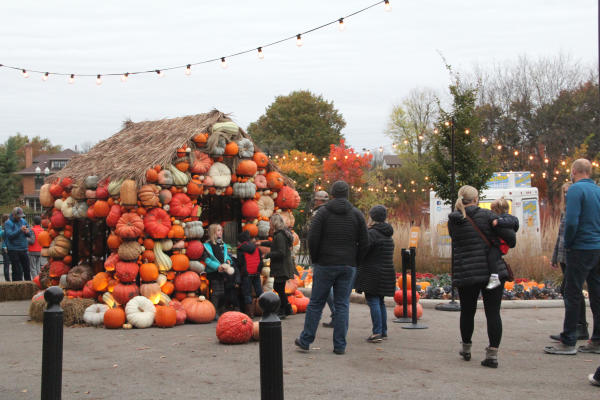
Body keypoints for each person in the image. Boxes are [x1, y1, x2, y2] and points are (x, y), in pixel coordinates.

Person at [295, 180, 369, 355]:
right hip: (347, 265)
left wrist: (317, 259)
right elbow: (365, 242)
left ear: (332, 195)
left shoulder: (323, 214)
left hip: (325, 264)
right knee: (342, 304)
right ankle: (340, 345)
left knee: (316, 303)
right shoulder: (357, 215)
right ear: (347, 194)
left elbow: (312, 238)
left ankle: (306, 340)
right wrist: (355, 260)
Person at [448, 185, 516, 368]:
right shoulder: (489, 216)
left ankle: (466, 349)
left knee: (467, 312)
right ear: (476, 199)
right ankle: (492, 355)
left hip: (467, 271)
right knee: (493, 313)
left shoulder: (454, 220)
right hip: (492, 271)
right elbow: (511, 239)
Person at [545, 159, 600, 355]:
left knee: (572, 293)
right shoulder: (597, 190)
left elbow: (571, 221)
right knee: (596, 293)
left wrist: (568, 243)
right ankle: (597, 340)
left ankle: (568, 340)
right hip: (597, 247)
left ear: (574, 171)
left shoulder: (576, 190)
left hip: (580, 247)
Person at [549, 183, 589, 341]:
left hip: (573, 254)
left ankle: (579, 326)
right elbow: (560, 236)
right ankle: (577, 326)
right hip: (563, 255)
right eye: (564, 192)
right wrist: (554, 257)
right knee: (570, 289)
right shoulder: (565, 211)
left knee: (571, 289)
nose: (566, 195)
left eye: (568, 192)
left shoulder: (575, 210)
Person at [354, 205, 395, 343]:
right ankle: (383, 331)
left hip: (372, 273)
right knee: (380, 301)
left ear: (372, 217)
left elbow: (363, 250)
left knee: (373, 301)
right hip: (386, 272)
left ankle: (377, 332)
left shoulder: (371, 233)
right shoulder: (388, 234)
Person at [309, 190, 336, 328]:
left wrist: (314, 256)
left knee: (323, 287)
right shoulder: (331, 212)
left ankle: (331, 313)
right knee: (324, 287)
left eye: (316, 200)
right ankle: (332, 313)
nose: (314, 202)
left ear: (320, 201)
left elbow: (314, 236)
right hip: (332, 254)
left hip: (321, 256)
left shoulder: (318, 214)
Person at [486, 197, 519, 289]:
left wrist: (499, 221)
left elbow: (514, 222)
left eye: (492, 209)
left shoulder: (507, 218)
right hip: (500, 243)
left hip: (502, 245)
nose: (491, 211)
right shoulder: (503, 218)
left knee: (491, 257)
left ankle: (494, 278)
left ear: (498, 210)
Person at [266, 214, 295, 319]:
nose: (269, 224)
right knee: (279, 287)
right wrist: (261, 243)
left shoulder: (279, 235)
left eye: (270, 222)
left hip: (282, 267)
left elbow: (281, 252)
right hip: (282, 266)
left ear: (274, 223)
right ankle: (286, 308)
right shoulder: (279, 234)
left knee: (279, 288)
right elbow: (274, 245)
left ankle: (285, 309)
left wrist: (267, 255)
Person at [203, 223, 233, 317]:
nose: (221, 232)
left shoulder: (222, 245)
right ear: (213, 232)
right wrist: (217, 266)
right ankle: (213, 311)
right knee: (216, 293)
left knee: (223, 293)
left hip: (223, 272)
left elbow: (226, 256)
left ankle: (221, 310)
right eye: (218, 230)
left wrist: (228, 261)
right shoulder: (207, 246)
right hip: (214, 272)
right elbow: (207, 260)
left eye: (221, 230)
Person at [237, 231, 263, 317]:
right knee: (259, 291)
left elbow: (240, 262)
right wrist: (259, 270)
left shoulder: (240, 249)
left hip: (246, 273)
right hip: (256, 272)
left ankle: (250, 313)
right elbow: (260, 260)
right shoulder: (256, 248)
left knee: (247, 293)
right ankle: (265, 309)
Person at [4, 207, 33, 281]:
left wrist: (27, 232)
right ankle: (17, 286)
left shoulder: (23, 221)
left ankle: (28, 285)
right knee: (17, 270)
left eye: (21, 216)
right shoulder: (8, 223)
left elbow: (29, 233)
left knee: (27, 269)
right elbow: (10, 236)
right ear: (13, 215)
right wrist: (20, 230)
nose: (20, 218)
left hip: (23, 248)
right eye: (18, 216)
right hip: (13, 249)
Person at [0, 215, 11, 281]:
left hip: (12, 247)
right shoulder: (2, 228)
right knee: (6, 264)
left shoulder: (10, 227)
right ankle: (8, 280)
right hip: (5, 247)